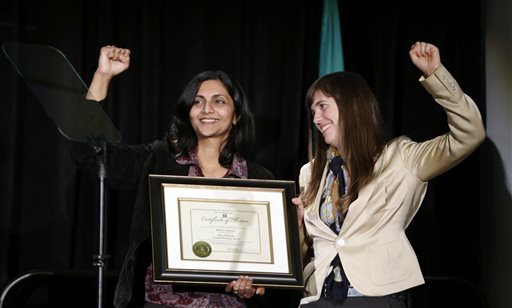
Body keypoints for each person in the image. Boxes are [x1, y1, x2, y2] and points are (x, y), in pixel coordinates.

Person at [292, 41, 486, 307]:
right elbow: (306, 251)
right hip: (319, 299)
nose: (316, 118)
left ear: (352, 105)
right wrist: (297, 227)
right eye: (313, 111)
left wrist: (436, 74)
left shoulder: (401, 157)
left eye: (323, 106)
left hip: (376, 298)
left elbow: (470, 134)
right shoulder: (309, 173)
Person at [86, 45, 270, 307]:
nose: (207, 109)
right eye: (197, 101)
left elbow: (264, 265)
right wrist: (102, 76)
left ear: (236, 116)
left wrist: (254, 284)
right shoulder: (158, 160)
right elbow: (94, 154)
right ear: (188, 112)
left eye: (219, 101)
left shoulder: (260, 180)